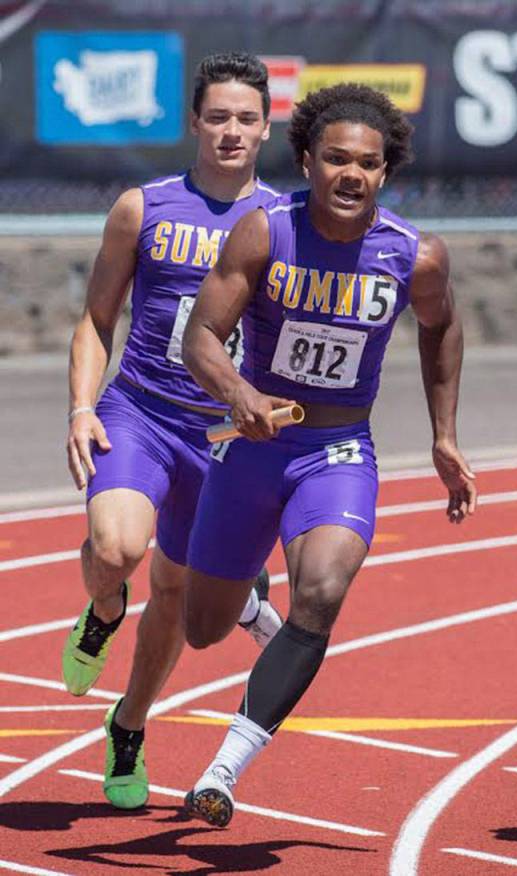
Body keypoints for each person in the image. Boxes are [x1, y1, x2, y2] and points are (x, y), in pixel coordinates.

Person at [177, 83, 477, 827]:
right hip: (254, 447)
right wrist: (239, 392)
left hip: (338, 448)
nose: (352, 175)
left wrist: (443, 434)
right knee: (202, 627)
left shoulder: (415, 255)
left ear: (385, 171)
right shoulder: (264, 232)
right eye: (337, 159)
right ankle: (249, 603)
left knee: (322, 591)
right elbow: (201, 337)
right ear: (308, 161)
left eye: (368, 164)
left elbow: (441, 327)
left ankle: (223, 770)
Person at [61, 53, 284, 810]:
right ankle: (103, 609)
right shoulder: (144, 208)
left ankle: (128, 722)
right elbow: (97, 319)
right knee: (117, 550)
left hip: (221, 441)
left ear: (266, 127)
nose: (231, 131)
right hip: (142, 413)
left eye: (246, 119)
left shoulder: (283, 225)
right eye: (217, 117)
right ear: (195, 122)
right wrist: (82, 408)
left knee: (178, 597)